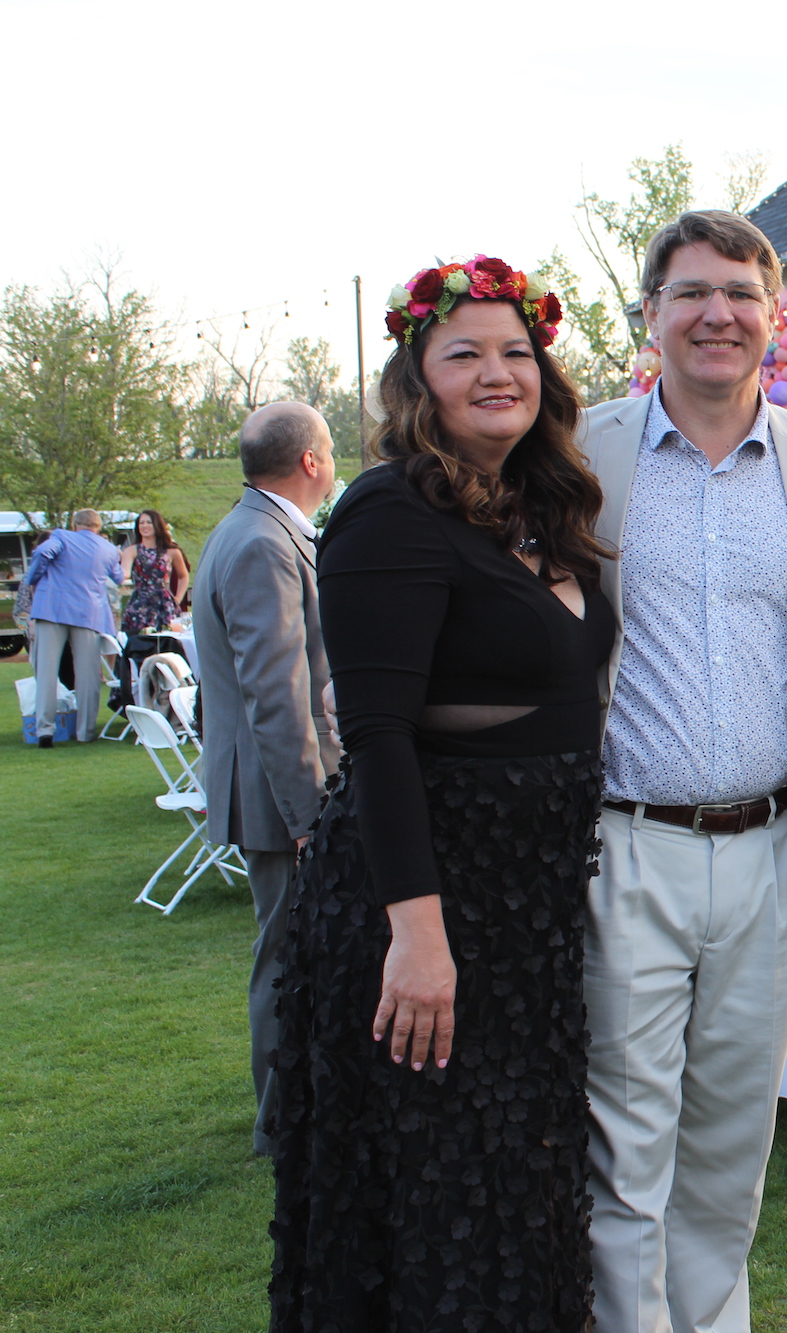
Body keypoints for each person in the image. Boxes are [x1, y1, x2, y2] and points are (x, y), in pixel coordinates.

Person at [268, 255, 610, 1331]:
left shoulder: (539, 506)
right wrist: (417, 938)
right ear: (418, 378)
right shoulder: (387, 510)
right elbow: (374, 737)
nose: (497, 372)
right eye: (464, 354)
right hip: (432, 906)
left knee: (520, 1185)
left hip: (529, 918)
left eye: (517, 352)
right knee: (440, 1198)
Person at [574, 211, 787, 1333]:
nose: (718, 314)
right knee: (625, 1153)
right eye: (692, 292)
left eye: (742, 293)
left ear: (773, 313)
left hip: (770, 854)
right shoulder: (582, 451)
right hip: (625, 848)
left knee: (726, 1153)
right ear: (650, 313)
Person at [190, 403, 341, 1157]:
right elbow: (276, 695)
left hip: (272, 788)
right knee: (288, 957)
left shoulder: (252, 529)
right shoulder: (260, 543)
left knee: (294, 951)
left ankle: (297, 1111)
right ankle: (282, 1124)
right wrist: (310, 814)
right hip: (280, 795)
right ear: (312, 461)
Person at [21, 508, 121, 747]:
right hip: (88, 612)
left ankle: (45, 731)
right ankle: (86, 731)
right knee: (88, 675)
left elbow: (42, 552)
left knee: (46, 671)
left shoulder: (61, 537)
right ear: (98, 527)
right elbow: (118, 577)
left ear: (75, 525)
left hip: (52, 609)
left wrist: (34, 578)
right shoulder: (108, 548)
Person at [120, 508, 192, 634]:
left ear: (157, 525)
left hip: (163, 601)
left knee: (166, 636)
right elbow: (124, 573)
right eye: (141, 523)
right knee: (138, 637)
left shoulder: (172, 551)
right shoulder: (131, 551)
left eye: (149, 522)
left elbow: (183, 576)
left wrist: (178, 598)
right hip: (140, 601)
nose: (145, 526)